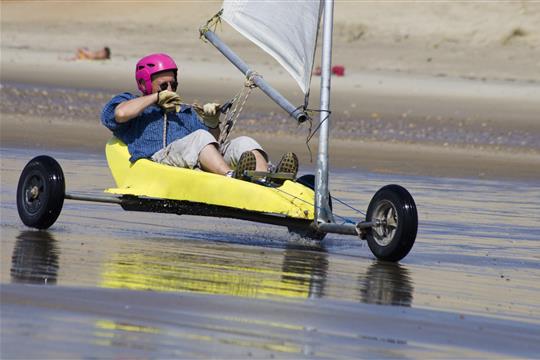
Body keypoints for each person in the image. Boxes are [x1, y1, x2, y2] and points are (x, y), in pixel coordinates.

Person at [101, 53, 298, 180]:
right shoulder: (131, 102)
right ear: (144, 84)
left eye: (173, 85)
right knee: (199, 138)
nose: (170, 89)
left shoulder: (185, 111)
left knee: (243, 142)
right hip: (159, 160)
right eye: (164, 86)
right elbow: (120, 114)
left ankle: (264, 178)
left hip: (194, 159)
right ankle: (230, 176)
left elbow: (212, 145)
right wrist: (156, 98)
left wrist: (212, 122)